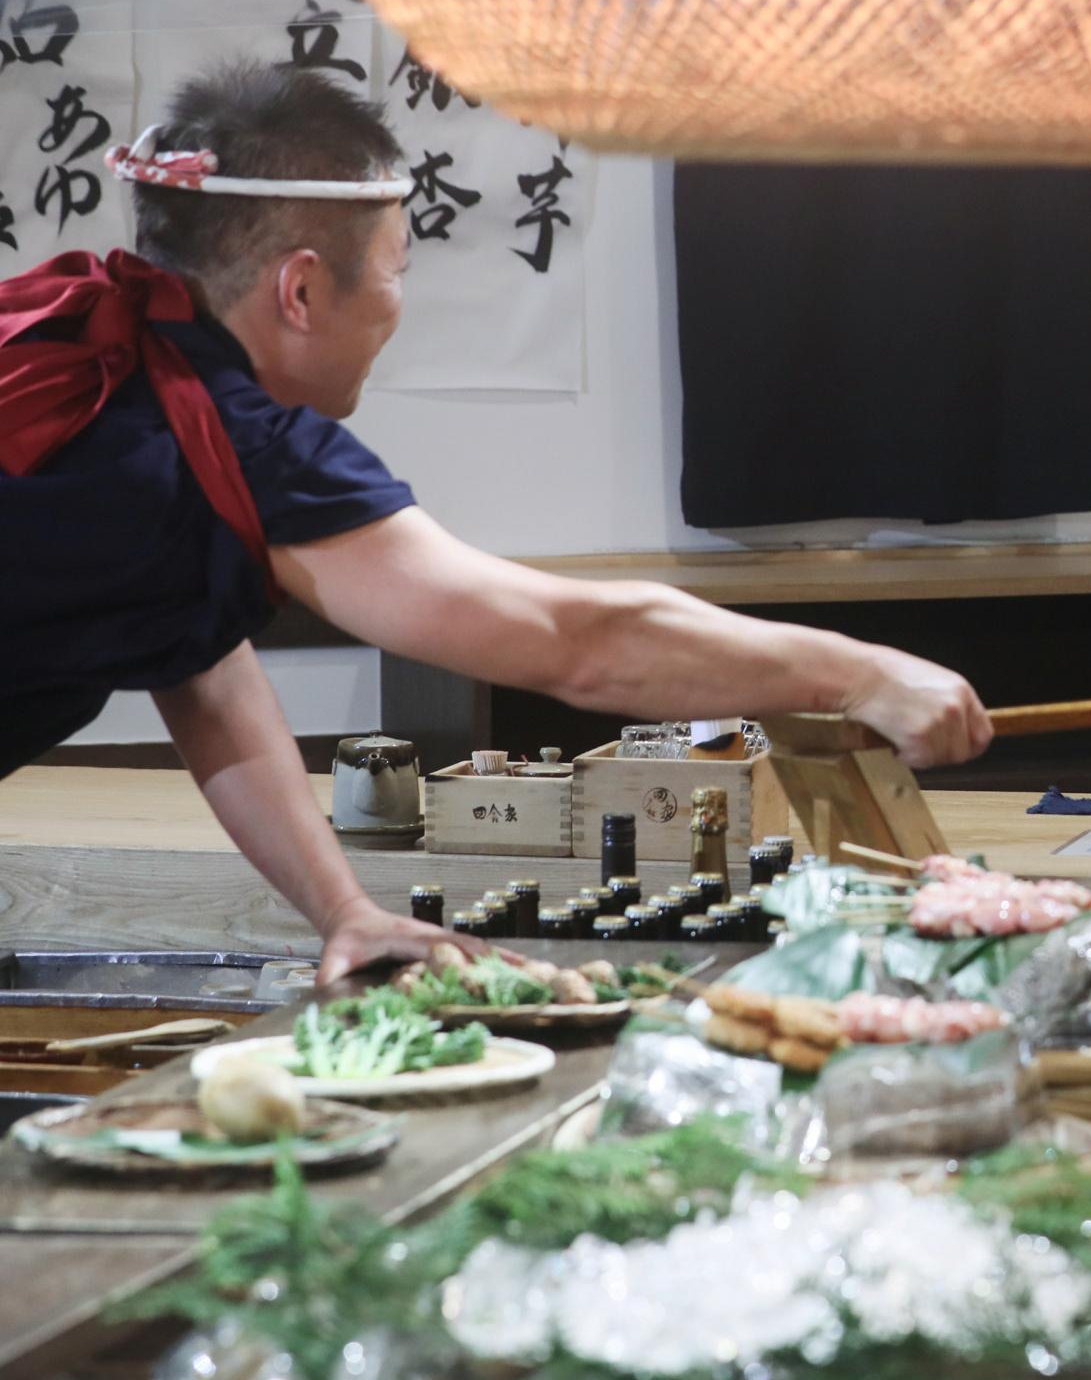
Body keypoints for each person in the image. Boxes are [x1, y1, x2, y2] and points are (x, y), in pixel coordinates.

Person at [0, 64, 991, 979]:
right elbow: (579, 645)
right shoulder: (243, 443)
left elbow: (203, 665)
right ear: (300, 289)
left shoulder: (99, 357)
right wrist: (865, 673)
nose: (398, 302)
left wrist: (344, 909)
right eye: (396, 267)